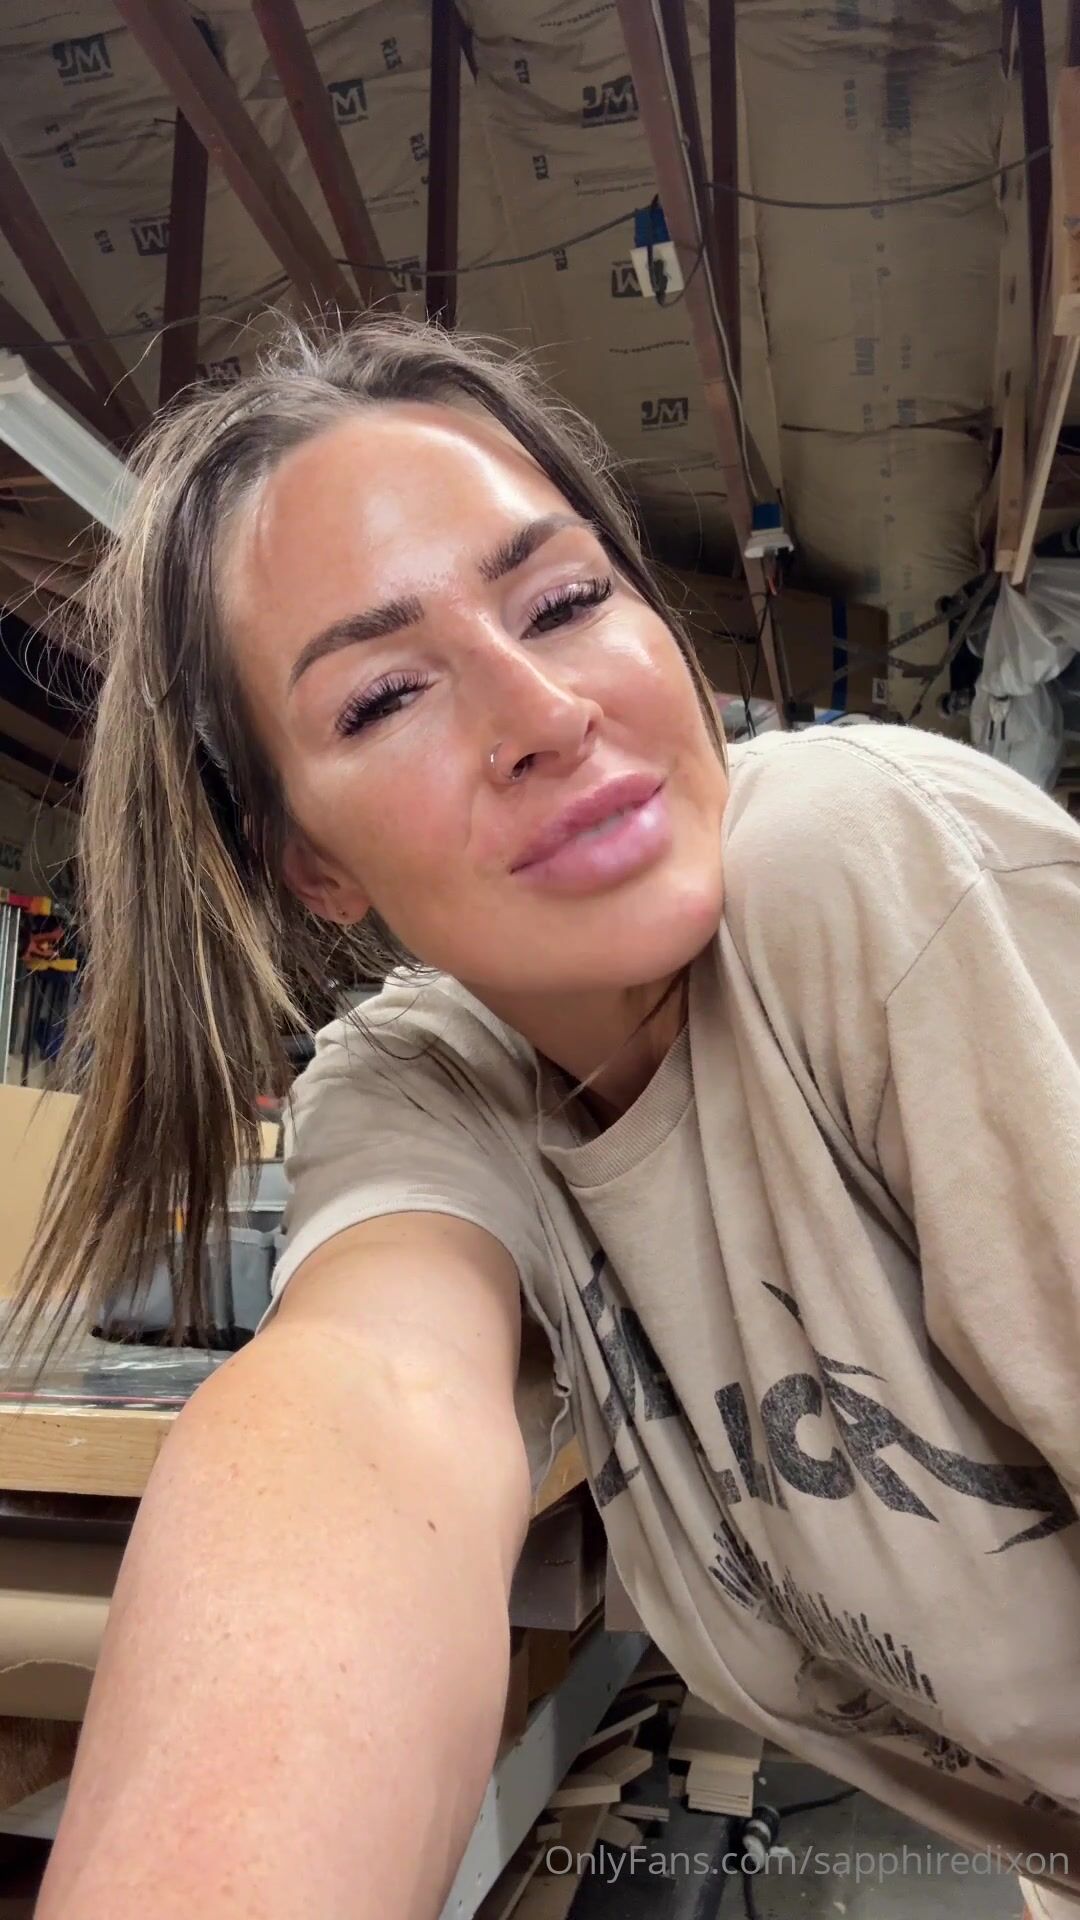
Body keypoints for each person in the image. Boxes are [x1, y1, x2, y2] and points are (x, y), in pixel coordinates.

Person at [18, 318, 1079, 1920]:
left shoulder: (861, 864)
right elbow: (364, 1404)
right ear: (311, 863)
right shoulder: (424, 1083)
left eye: (566, 602)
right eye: (384, 696)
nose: (544, 711)